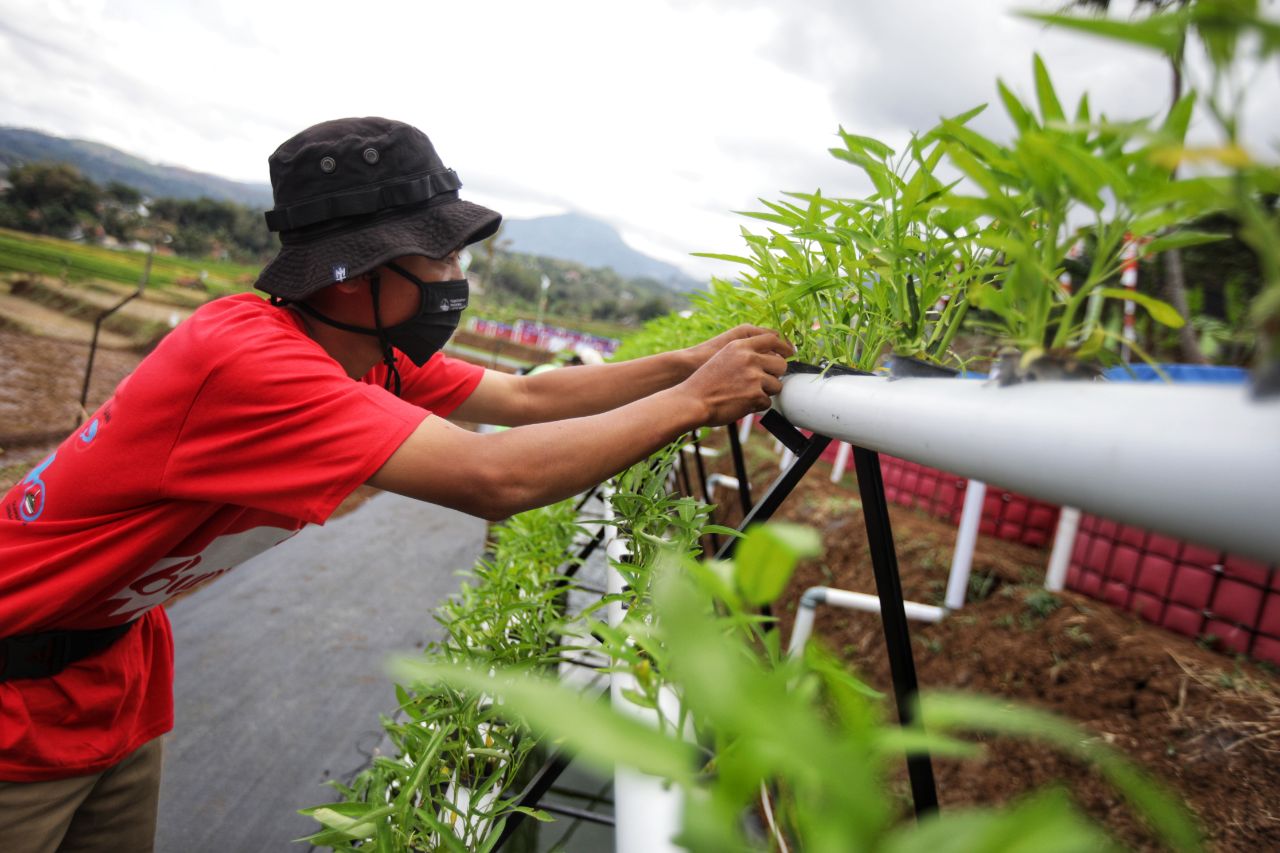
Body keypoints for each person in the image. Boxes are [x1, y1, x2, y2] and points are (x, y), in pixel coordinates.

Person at [0, 116, 792, 851]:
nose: (456, 278)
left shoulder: (361, 350)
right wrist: (694, 403)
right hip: (16, 686)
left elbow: (524, 399)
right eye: (438, 256)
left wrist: (685, 364)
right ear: (354, 272)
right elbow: (494, 475)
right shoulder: (255, 366)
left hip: (115, 667)